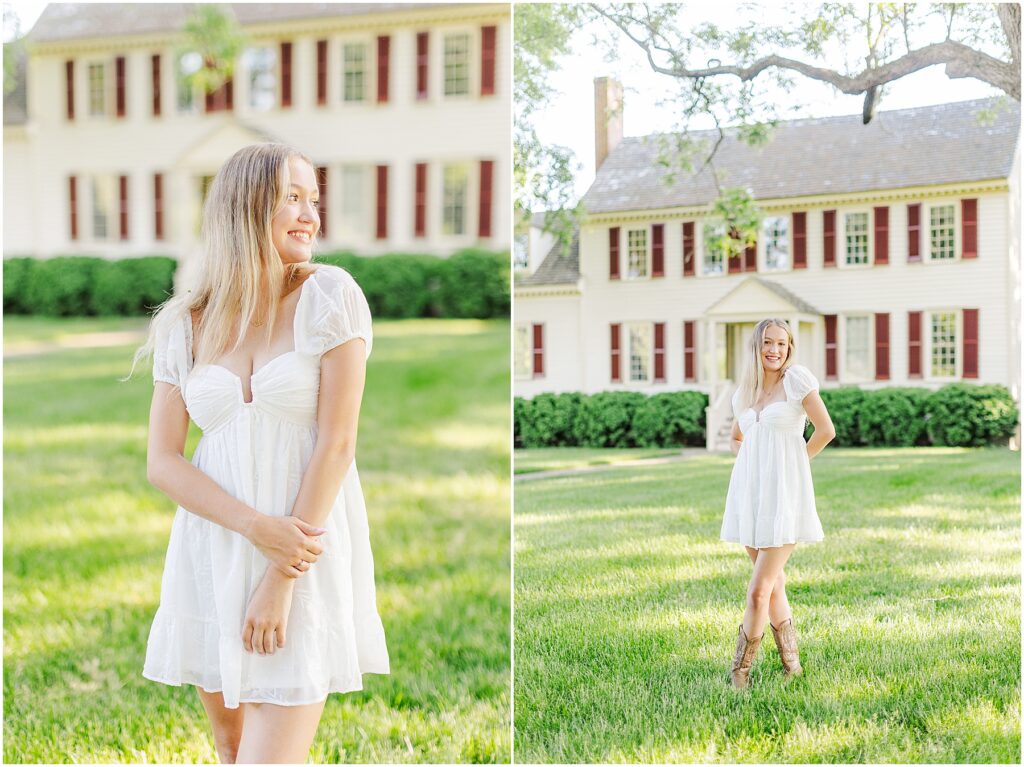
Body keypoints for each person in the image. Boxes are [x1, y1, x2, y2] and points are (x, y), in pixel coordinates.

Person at [131, 143, 389, 762]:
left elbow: (337, 442)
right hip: (213, 552)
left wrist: (280, 573)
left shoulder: (330, 295)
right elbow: (162, 461)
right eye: (291, 199)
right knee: (230, 747)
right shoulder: (188, 322)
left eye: (314, 200)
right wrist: (253, 529)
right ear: (246, 210)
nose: (309, 215)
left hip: (302, 555)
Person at [720, 318, 835, 689]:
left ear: (789, 349)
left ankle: (741, 674)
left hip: (784, 499)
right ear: (756, 346)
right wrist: (752, 464)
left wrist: (791, 467)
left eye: (782, 344)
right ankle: (792, 666)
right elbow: (738, 439)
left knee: (758, 590)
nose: (774, 350)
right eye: (768, 343)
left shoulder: (796, 381)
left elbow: (826, 431)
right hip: (751, 499)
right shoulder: (743, 395)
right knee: (774, 587)